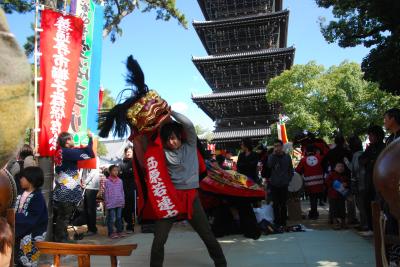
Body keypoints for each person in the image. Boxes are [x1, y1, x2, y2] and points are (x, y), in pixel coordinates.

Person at [151, 110, 227, 267]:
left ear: (179, 136)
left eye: (173, 138)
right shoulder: (162, 152)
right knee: (159, 239)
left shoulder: (191, 145)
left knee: (207, 235)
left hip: (192, 198)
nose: (171, 142)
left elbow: (189, 125)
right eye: (167, 140)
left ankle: (221, 264)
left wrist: (170, 111)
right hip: (171, 199)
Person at [53, 131, 95, 242]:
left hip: (63, 186)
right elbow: (89, 154)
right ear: (67, 141)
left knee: (63, 216)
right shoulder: (67, 152)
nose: (73, 141)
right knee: (65, 216)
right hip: (68, 188)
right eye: (71, 139)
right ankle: (61, 240)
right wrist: (90, 139)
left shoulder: (60, 151)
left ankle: (63, 237)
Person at [14, 166, 48, 266]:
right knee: (17, 259)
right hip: (20, 230)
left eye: (23, 177)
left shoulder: (38, 197)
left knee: (27, 262)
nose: (21, 180)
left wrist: (13, 218)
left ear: (31, 180)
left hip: (31, 233)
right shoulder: (20, 193)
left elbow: (32, 218)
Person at [267, 139, 294, 227]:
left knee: (283, 204)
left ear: (282, 147)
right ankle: (277, 221)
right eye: (275, 146)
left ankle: (283, 221)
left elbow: (290, 169)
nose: (277, 148)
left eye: (278, 146)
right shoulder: (271, 156)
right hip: (274, 183)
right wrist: (274, 155)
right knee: (275, 204)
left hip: (284, 183)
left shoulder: (287, 157)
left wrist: (288, 179)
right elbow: (269, 165)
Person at [295, 144, 325, 220]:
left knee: (313, 199)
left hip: (309, 183)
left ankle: (314, 213)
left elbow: (298, 170)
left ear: (306, 151)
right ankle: (314, 212)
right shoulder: (320, 158)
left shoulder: (303, 160)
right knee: (318, 198)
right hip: (320, 182)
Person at [348, 135, 367, 232]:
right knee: (363, 204)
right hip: (365, 182)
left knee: (360, 205)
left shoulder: (356, 155)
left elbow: (354, 168)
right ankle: (365, 223)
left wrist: (346, 162)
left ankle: (364, 224)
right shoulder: (363, 153)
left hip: (359, 183)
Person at [326, 162, 349, 230]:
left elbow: (348, 184)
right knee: (334, 209)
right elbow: (327, 182)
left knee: (342, 209)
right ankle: (335, 223)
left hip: (341, 196)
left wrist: (346, 184)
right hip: (333, 196)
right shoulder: (331, 174)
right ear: (335, 168)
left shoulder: (345, 176)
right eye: (339, 166)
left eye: (342, 166)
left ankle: (343, 223)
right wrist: (335, 184)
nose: (340, 168)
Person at [119, 145, 136, 233]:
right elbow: (119, 175)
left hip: (132, 188)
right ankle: (121, 226)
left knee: (131, 207)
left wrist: (125, 173)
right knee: (123, 207)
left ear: (132, 153)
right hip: (122, 188)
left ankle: (130, 226)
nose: (128, 153)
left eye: (130, 152)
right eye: (127, 152)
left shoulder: (135, 162)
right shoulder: (121, 163)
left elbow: (133, 175)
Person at [105, 165, 125, 239]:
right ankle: (111, 232)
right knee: (112, 218)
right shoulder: (107, 181)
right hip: (111, 203)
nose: (116, 172)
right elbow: (106, 193)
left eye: (117, 170)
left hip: (119, 202)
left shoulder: (120, 181)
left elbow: (122, 191)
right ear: (110, 172)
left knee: (119, 218)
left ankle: (119, 231)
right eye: (114, 170)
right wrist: (107, 202)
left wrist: (123, 201)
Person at [82, 161, 101, 236]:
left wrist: (85, 182)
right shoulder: (86, 157)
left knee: (90, 209)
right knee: (87, 208)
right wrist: (83, 181)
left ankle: (92, 229)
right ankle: (90, 228)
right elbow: (84, 171)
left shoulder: (95, 158)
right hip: (87, 186)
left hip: (92, 187)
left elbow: (93, 172)